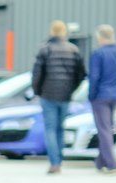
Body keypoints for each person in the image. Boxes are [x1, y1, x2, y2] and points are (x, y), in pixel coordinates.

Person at [31, 19, 86, 174]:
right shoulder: (74, 50)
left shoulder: (45, 50)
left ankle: (54, 162)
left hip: (48, 95)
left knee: (50, 129)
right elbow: (80, 74)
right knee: (60, 128)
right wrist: (72, 89)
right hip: (65, 95)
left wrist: (37, 91)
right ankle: (59, 161)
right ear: (64, 32)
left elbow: (37, 74)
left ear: (51, 31)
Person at [87, 24, 116, 174]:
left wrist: (91, 95)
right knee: (108, 127)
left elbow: (94, 76)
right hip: (115, 95)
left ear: (100, 37)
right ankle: (100, 162)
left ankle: (111, 164)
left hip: (101, 96)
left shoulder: (98, 54)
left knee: (103, 129)